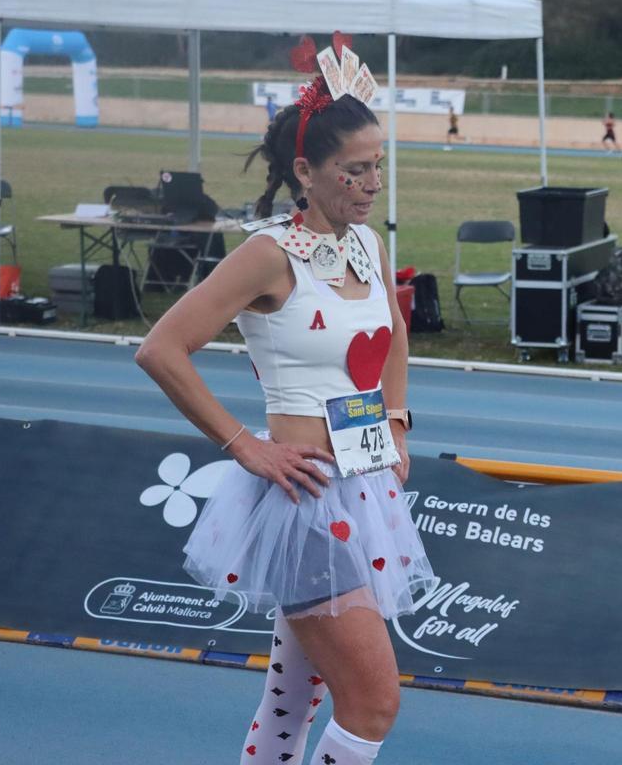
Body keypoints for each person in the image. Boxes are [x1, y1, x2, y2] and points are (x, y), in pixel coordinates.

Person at [136, 60, 434, 765]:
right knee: (373, 702)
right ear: (305, 170)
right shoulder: (268, 256)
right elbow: (162, 349)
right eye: (354, 170)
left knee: (289, 700)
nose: (372, 185)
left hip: (365, 491)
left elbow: (391, 331)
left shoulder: (366, 240)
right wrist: (246, 445)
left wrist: (396, 421)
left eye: (378, 166)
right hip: (302, 500)